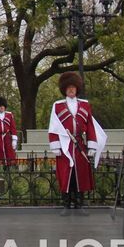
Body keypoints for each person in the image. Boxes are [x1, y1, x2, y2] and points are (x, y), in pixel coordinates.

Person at [47, 71, 105, 208]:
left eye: (73, 87)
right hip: (64, 146)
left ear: (77, 88)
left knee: (81, 173)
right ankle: (66, 203)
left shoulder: (85, 104)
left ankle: (79, 203)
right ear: (64, 89)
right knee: (66, 174)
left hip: (80, 144)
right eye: (68, 87)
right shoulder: (57, 105)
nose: (71, 89)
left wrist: (92, 145)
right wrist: (55, 145)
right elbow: (53, 126)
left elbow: (90, 125)